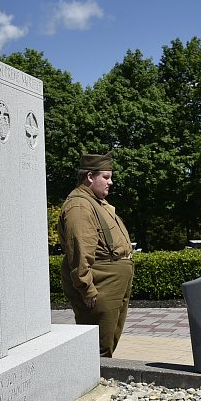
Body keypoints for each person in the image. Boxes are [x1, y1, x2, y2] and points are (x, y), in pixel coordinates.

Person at [58, 151, 135, 357]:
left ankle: (100, 377)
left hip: (111, 280)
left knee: (107, 341)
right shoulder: (80, 205)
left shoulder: (94, 202)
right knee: (99, 346)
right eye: (106, 177)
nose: (110, 182)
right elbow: (80, 250)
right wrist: (87, 288)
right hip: (101, 282)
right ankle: (93, 383)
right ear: (90, 177)